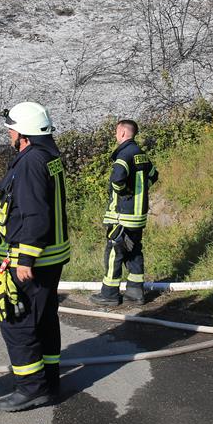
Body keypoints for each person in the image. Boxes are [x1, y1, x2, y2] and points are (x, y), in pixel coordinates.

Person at [0, 101, 69, 412]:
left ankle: (31, 388)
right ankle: (49, 381)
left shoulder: (31, 162)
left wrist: (25, 259)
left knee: (18, 322)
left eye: (11, 129)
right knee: (45, 320)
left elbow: (35, 213)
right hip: (51, 257)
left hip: (33, 260)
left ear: (23, 133)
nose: (9, 134)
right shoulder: (48, 156)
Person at [90, 119, 158, 306]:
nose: (115, 135)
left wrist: (125, 192)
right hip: (138, 217)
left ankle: (109, 294)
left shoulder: (124, 155)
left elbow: (117, 180)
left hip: (122, 216)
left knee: (114, 252)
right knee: (134, 251)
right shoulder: (141, 154)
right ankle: (136, 294)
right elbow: (154, 175)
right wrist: (140, 191)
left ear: (122, 133)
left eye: (116, 132)